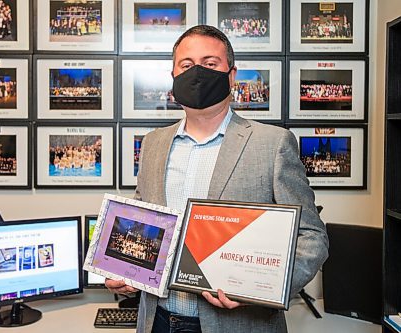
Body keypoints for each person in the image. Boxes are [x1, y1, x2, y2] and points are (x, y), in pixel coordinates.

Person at [106, 25, 329, 333]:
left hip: (239, 325)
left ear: (231, 75)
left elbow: (312, 237)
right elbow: (143, 218)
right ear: (173, 75)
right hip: (157, 320)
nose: (197, 73)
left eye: (210, 63)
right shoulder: (153, 143)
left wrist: (263, 291)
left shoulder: (273, 143)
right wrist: (123, 269)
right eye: (186, 65)